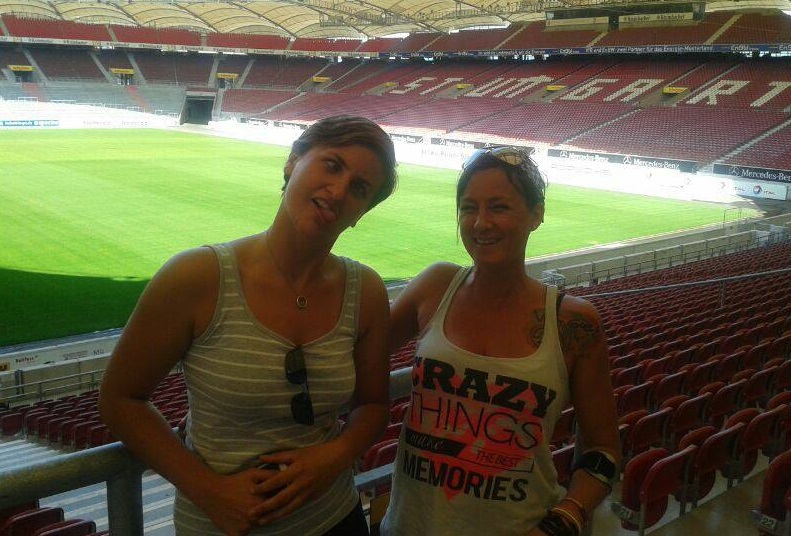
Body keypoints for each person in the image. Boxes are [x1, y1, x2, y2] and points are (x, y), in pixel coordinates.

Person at [99, 115, 397, 536]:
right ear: (292, 162)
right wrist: (209, 492)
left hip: (335, 519)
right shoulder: (196, 277)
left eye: (360, 188)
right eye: (332, 165)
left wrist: (334, 456)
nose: (338, 191)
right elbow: (120, 399)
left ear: (360, 213)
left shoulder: (365, 291)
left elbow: (373, 405)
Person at [380, 146, 620, 536]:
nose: (481, 223)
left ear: (536, 214)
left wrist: (564, 520)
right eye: (468, 208)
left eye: (499, 207)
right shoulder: (435, 286)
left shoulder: (573, 322)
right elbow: (353, 360)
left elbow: (603, 451)